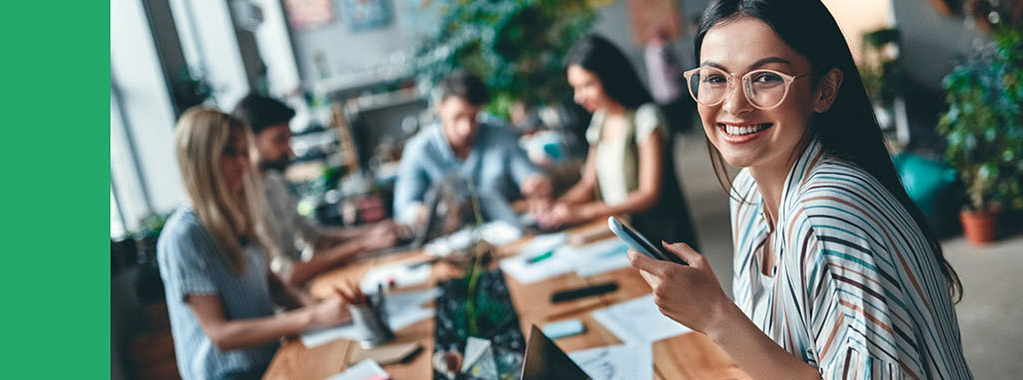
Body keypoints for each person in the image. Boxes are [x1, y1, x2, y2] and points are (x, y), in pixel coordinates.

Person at [626, 1, 972, 379]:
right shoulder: (748, 194)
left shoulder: (827, 211)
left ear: (825, 90)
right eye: (715, 78)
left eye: (766, 78)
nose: (734, 105)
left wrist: (715, 316)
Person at [157, 108, 356, 379]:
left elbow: (274, 285)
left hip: (268, 359)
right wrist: (314, 317)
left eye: (242, 152)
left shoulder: (237, 215)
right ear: (201, 159)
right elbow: (220, 334)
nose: (242, 162)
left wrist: (314, 305)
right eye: (229, 152)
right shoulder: (184, 235)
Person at [541, 35, 698, 247]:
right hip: (623, 236)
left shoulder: (646, 118)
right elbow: (588, 183)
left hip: (658, 239)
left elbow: (649, 193)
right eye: (575, 88)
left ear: (610, 77)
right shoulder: (601, 119)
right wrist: (556, 207)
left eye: (587, 85)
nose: (579, 97)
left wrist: (585, 212)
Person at [231, 94, 401, 286]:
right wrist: (361, 245)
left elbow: (315, 237)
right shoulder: (242, 199)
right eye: (279, 139)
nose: (289, 150)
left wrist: (373, 232)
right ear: (248, 139)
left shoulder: (274, 181)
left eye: (289, 138)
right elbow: (286, 274)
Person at [394, 69, 551, 226]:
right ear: (440, 107)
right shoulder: (419, 149)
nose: (466, 128)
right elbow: (403, 208)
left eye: (473, 118)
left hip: (506, 232)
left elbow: (527, 174)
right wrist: (423, 214)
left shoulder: (499, 134)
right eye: (458, 117)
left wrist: (535, 183)